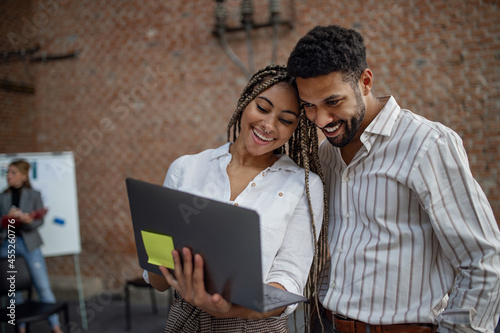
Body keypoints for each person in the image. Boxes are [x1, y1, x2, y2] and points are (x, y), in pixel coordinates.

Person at [287, 24, 500, 333]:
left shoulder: (427, 144)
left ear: (365, 82)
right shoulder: (326, 156)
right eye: (309, 106)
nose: (321, 120)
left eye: (333, 102)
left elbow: (484, 260)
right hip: (327, 324)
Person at [142, 64, 329, 332]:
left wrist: (230, 309)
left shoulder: (303, 185)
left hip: (254, 325)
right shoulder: (186, 168)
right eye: (262, 108)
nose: (268, 125)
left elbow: (287, 278)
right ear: (245, 102)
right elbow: (157, 278)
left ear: (296, 128)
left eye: (285, 120)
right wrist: (163, 260)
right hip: (185, 320)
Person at [0, 159, 64, 333]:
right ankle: (19, 329)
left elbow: (39, 220)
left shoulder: (34, 194)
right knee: (13, 292)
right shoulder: (2, 197)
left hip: (30, 244)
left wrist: (27, 221)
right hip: (8, 245)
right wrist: (8, 219)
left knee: (43, 286)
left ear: (23, 175)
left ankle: (55, 327)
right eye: (8, 173)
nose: (9, 176)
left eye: (13, 173)